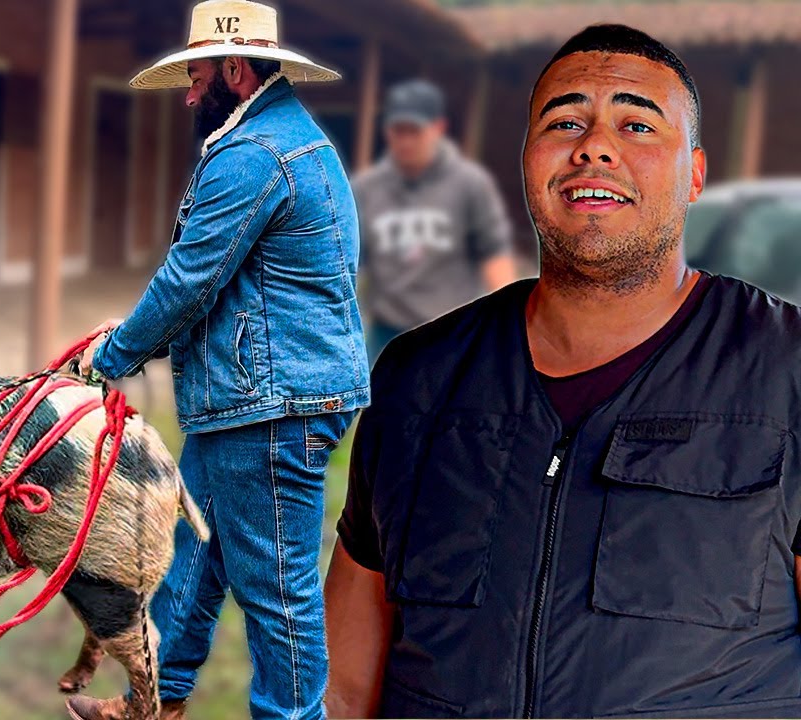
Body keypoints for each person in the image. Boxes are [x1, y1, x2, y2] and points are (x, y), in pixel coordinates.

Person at [326, 23, 801, 718]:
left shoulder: (786, 372)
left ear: (695, 174)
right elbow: (342, 688)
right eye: (565, 122)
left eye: (637, 125)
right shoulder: (417, 379)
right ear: (527, 161)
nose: (594, 147)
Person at [68, 1, 369, 718]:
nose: (188, 94)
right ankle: (156, 702)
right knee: (193, 559)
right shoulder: (281, 140)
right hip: (253, 398)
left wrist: (112, 354)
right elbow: (230, 283)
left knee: (277, 592)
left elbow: (190, 280)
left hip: (271, 406)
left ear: (236, 70)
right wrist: (134, 333)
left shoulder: (254, 154)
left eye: (196, 77)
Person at [352, 79, 517, 361]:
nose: (405, 141)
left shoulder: (470, 184)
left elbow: (494, 255)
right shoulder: (366, 188)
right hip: (385, 335)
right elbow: (350, 262)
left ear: (438, 128)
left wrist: (510, 331)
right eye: (398, 130)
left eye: (414, 131)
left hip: (451, 334)